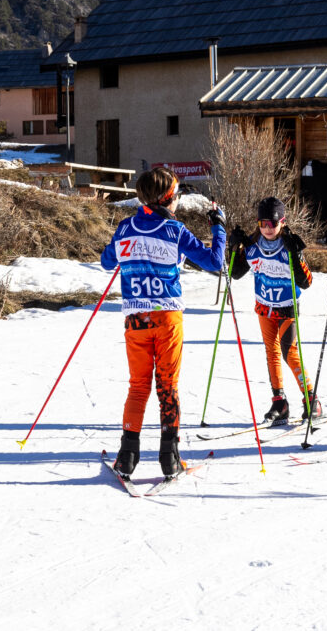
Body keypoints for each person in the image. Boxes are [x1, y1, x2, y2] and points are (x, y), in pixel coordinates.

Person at [101, 167, 226, 478]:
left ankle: (127, 456)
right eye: (177, 195)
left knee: (139, 385)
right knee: (167, 386)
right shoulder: (175, 230)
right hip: (168, 317)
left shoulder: (126, 227)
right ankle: (169, 457)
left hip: (136, 318)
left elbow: (106, 262)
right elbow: (215, 262)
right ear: (168, 198)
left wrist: (126, 247)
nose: (179, 201)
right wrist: (219, 227)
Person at [229, 197, 318, 424]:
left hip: (287, 308)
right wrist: (234, 249)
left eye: (273, 223)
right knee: (272, 353)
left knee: (289, 352)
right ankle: (280, 402)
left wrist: (296, 256)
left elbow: (306, 282)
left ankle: (311, 399)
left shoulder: (288, 244)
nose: (268, 229)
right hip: (264, 307)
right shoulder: (254, 244)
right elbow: (236, 273)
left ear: (283, 222)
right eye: (263, 224)